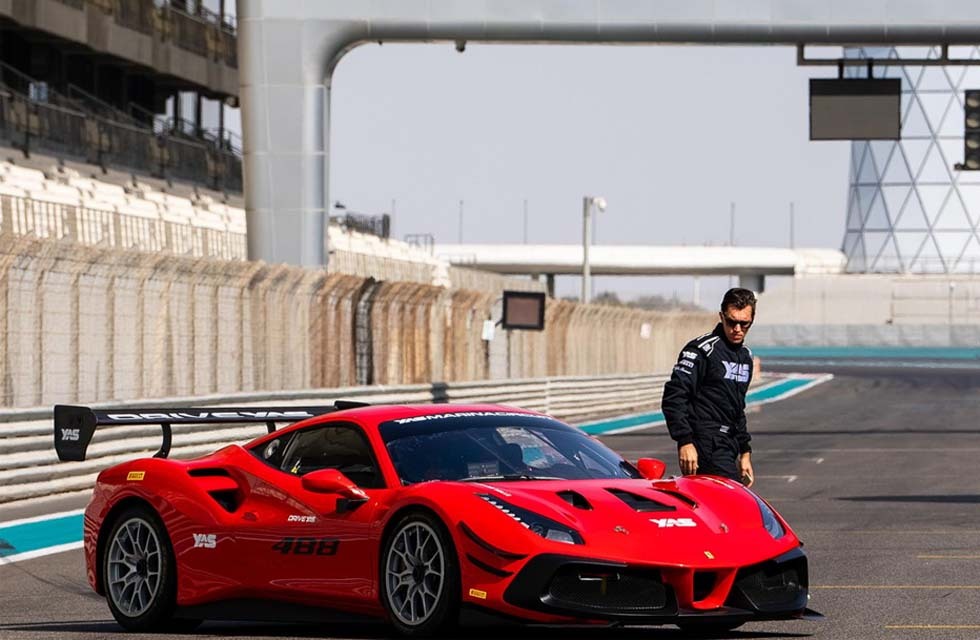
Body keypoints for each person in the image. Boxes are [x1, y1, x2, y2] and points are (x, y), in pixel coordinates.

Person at [661, 288, 757, 486]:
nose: (737, 329)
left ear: (752, 321)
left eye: (744, 323)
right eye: (731, 322)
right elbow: (674, 397)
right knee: (733, 497)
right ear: (721, 317)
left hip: (729, 443)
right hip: (705, 443)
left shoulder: (746, 357)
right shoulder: (702, 350)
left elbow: (737, 408)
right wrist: (685, 441)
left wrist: (745, 451)